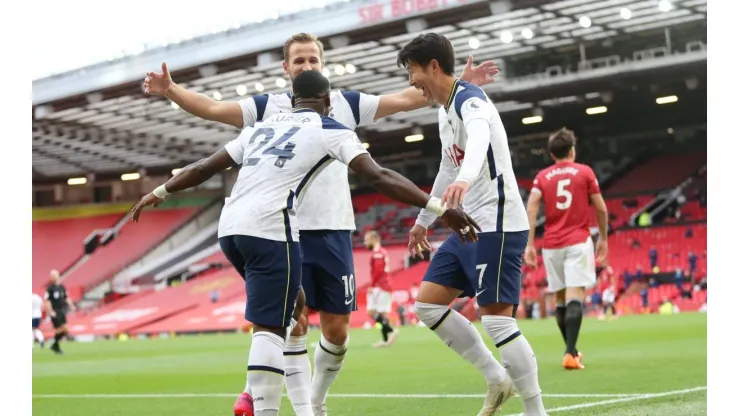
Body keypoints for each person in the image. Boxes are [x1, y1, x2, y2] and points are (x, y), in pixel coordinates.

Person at [143, 32, 497, 416]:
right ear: (286, 67)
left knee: (336, 331)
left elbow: (407, 98)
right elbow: (213, 108)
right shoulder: (267, 108)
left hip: (331, 227)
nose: (306, 66)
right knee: (288, 320)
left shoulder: (345, 102)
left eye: (312, 60)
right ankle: (291, 404)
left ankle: (296, 396)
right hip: (281, 228)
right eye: (299, 61)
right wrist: (172, 91)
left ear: (322, 63)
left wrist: (454, 85)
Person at [397, 33, 546, 416]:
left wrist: (467, 176)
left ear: (432, 66)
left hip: (497, 220)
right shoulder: (446, 107)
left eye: (412, 71)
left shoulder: (469, 100)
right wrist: (422, 222)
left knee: (496, 321)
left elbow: (479, 137)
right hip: (469, 226)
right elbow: (447, 167)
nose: (410, 81)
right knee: (428, 307)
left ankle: (536, 410)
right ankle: (497, 378)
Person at [524, 127, 608, 371]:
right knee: (575, 297)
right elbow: (601, 208)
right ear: (572, 150)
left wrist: (529, 243)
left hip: (551, 245)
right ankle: (570, 353)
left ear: (551, 154)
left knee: (560, 299)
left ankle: (571, 351)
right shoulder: (584, 172)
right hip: (577, 241)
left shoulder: (542, 177)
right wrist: (603, 237)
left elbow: (531, 207)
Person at [363, 231, 398, 348]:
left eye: (366, 240)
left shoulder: (377, 253)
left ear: (373, 239)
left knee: (374, 312)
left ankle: (391, 332)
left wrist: (372, 285)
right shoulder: (381, 252)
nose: (365, 243)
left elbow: (378, 270)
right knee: (380, 314)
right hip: (383, 286)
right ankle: (386, 339)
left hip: (381, 286)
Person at [45, 270, 76, 354]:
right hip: (55, 311)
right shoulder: (50, 288)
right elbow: (47, 301)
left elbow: (66, 297)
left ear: (58, 276)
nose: (53, 277)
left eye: (55, 275)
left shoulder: (62, 287)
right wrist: (50, 311)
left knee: (65, 330)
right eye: (52, 276)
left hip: (62, 311)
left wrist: (71, 305)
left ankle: (54, 345)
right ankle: (55, 346)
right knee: (60, 329)